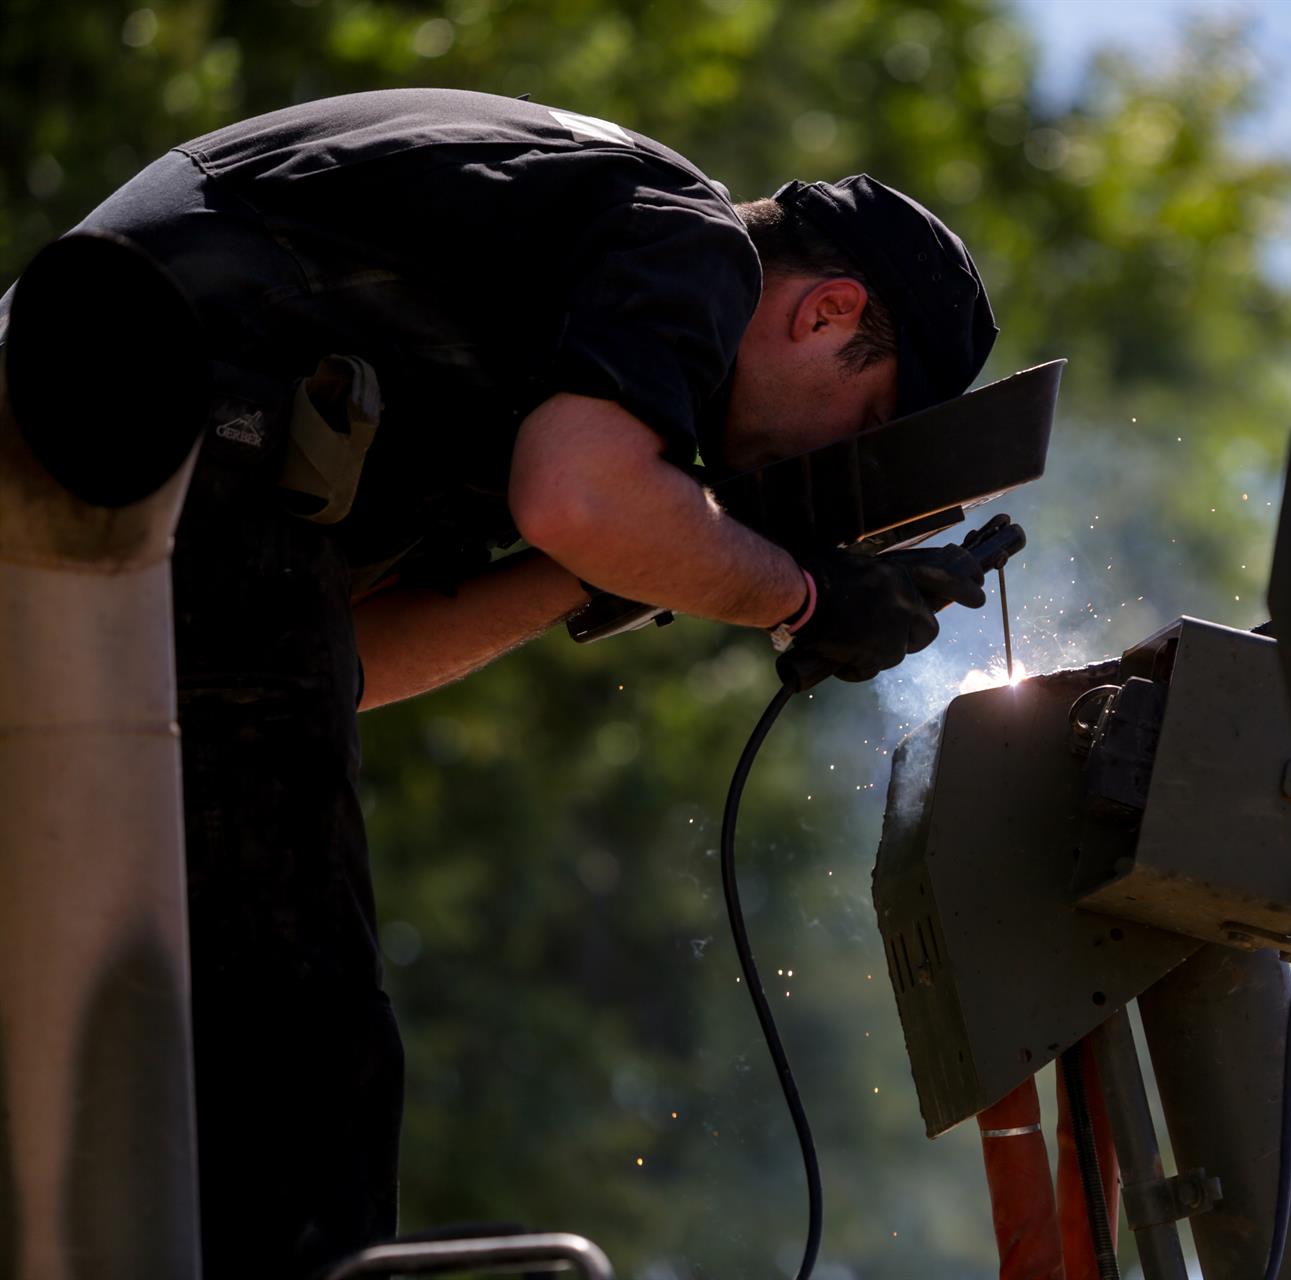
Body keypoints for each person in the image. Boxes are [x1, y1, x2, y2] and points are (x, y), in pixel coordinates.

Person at [0, 86, 999, 1277]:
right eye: (864, 418)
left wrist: (622, 564)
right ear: (832, 311)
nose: (835, 459)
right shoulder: (691, 237)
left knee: (128, 1064)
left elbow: (354, 663)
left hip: (109, 525)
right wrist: (801, 594)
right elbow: (577, 494)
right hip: (137, 449)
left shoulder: (527, 312)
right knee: (301, 1053)